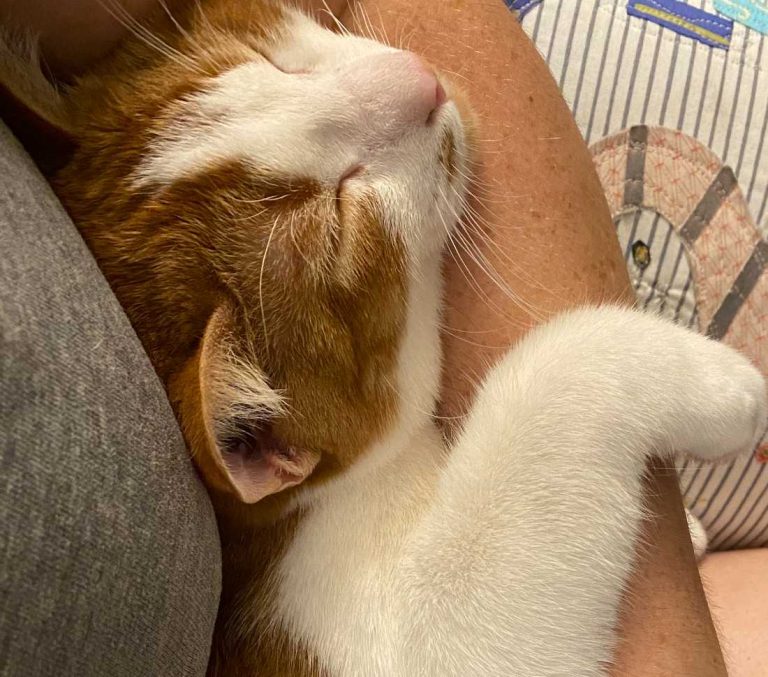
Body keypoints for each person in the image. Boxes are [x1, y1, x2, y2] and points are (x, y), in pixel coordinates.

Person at [1, 1, 765, 675]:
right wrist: (588, 382)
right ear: (269, 439)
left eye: (281, 64)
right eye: (340, 214)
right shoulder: (308, 613)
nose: (406, 79)